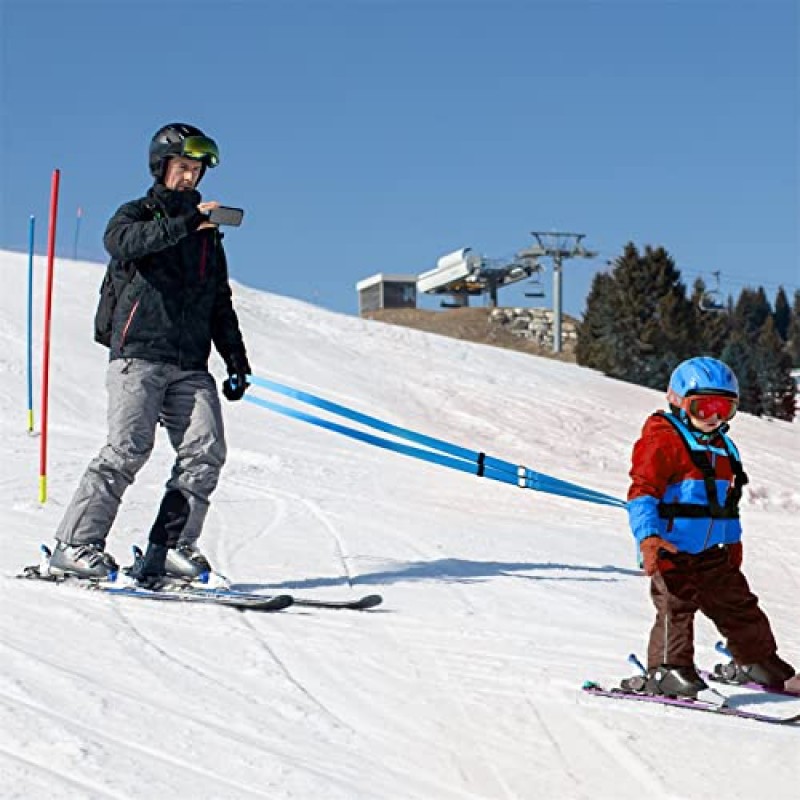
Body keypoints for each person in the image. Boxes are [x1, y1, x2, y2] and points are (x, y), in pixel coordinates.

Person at [47, 122, 251, 585]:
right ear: (162, 168)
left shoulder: (207, 236)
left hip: (190, 363)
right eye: (182, 168)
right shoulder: (137, 213)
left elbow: (219, 300)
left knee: (205, 453)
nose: (190, 178)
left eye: (196, 171)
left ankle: (169, 550)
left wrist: (236, 360)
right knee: (127, 450)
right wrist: (184, 222)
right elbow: (120, 243)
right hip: (138, 354)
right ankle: (75, 545)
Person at [622, 356, 795, 697]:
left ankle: (757, 659)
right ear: (679, 402)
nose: (713, 418)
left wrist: (733, 543)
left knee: (739, 604)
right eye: (703, 408)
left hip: (711, 551)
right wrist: (649, 538)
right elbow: (641, 493)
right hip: (671, 549)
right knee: (676, 606)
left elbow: (726, 506)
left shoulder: (723, 448)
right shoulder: (663, 441)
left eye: (724, 409)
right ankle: (668, 670)